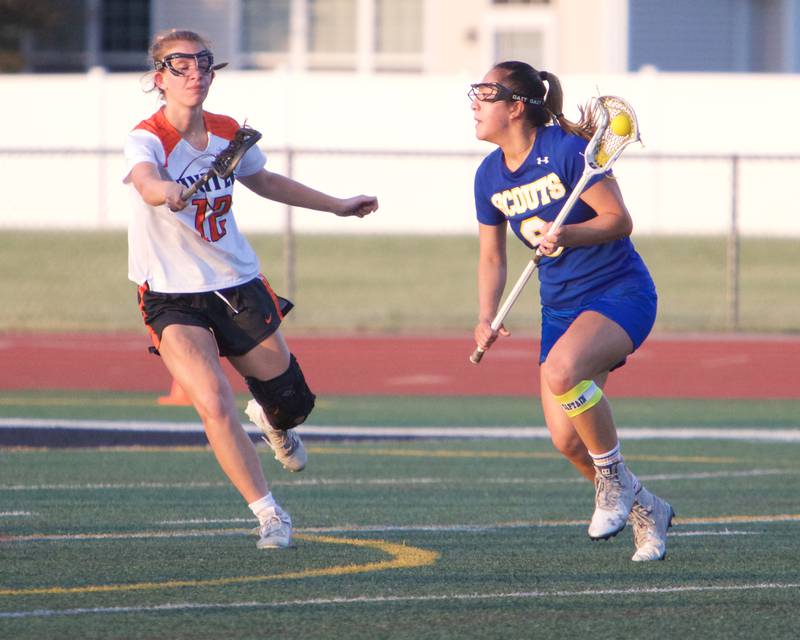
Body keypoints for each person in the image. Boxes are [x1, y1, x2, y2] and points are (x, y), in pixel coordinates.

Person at [124, 29, 378, 550]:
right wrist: (165, 191)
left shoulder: (226, 132)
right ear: (159, 79)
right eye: (179, 65)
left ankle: (272, 418)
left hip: (236, 283)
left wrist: (336, 204)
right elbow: (146, 179)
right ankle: (269, 515)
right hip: (172, 293)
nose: (194, 72)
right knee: (213, 400)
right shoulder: (146, 136)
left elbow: (265, 182)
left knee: (292, 403)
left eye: (203, 63)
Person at [470, 61, 674, 561]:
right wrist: (485, 316)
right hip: (559, 308)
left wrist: (572, 233)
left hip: (618, 293)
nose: (474, 102)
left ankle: (612, 483)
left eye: (486, 93)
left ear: (517, 107)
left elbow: (618, 221)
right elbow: (493, 256)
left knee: (563, 370)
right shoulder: (487, 175)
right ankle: (647, 508)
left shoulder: (566, 152)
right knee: (567, 440)